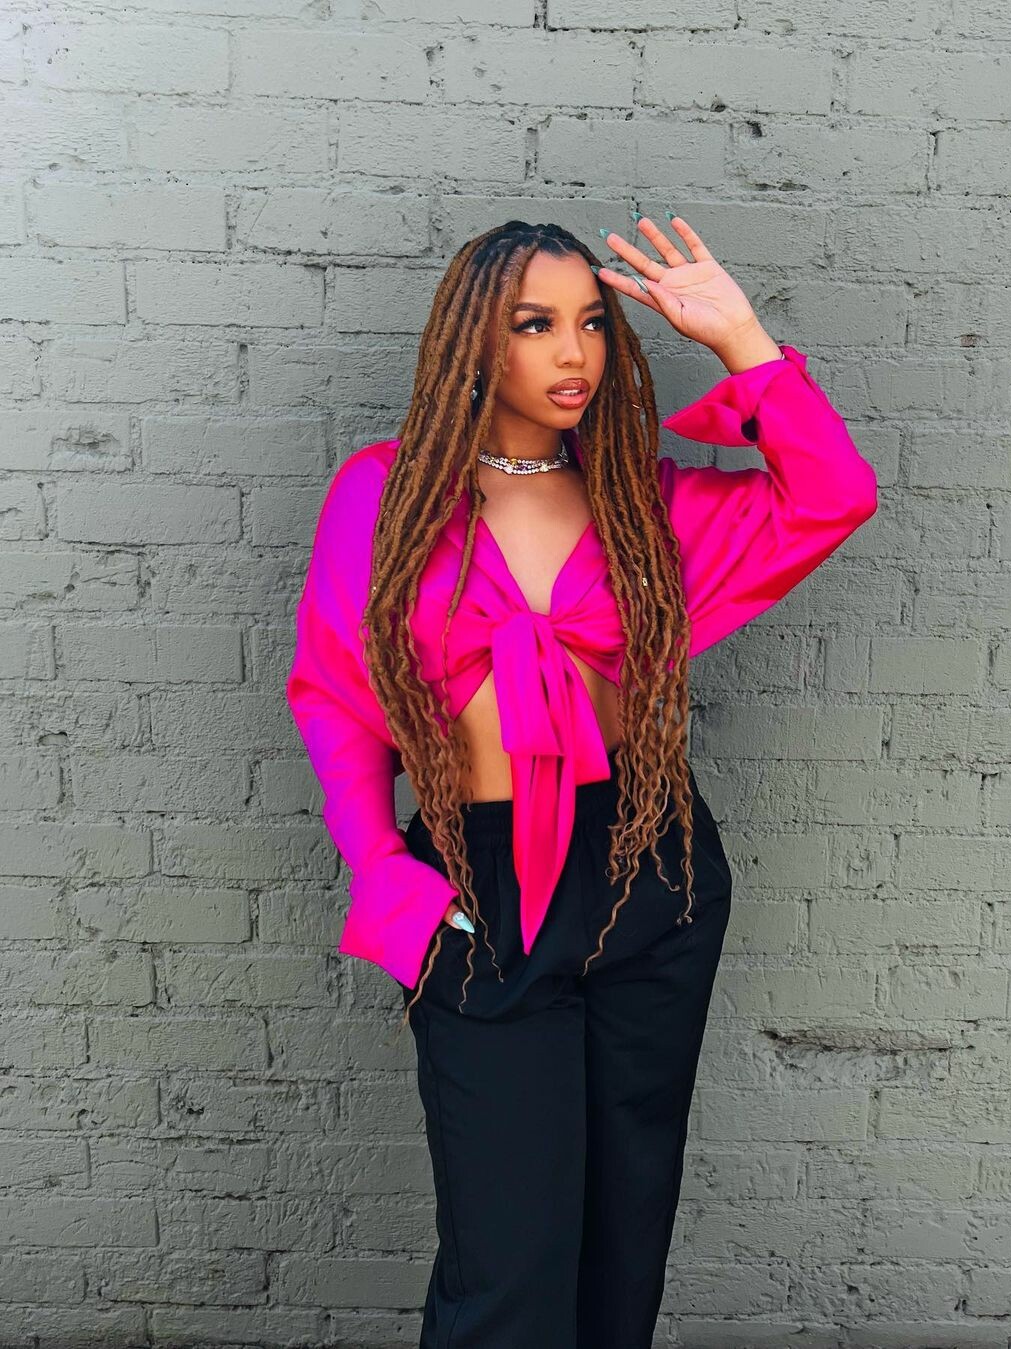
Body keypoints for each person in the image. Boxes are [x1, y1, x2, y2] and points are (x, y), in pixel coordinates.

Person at [285, 214, 878, 1349]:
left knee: (621, 1241)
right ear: (475, 339)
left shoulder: (645, 501)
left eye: (594, 323)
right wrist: (388, 876)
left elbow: (830, 495)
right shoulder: (385, 494)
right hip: (481, 888)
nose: (575, 352)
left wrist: (740, 338)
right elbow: (336, 698)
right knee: (507, 1260)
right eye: (536, 324)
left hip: (651, 875)